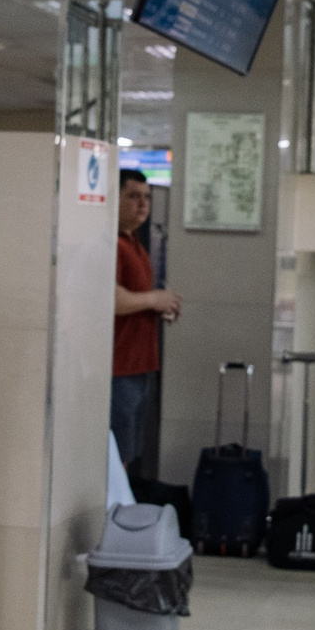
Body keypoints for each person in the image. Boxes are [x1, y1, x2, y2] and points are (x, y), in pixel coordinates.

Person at [112, 170, 179, 478]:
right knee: (116, 456)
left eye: (147, 198)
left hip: (139, 368)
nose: (142, 204)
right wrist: (153, 300)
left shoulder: (136, 245)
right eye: (133, 196)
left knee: (130, 453)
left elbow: (135, 299)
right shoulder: (113, 245)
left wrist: (159, 307)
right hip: (118, 369)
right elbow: (111, 299)